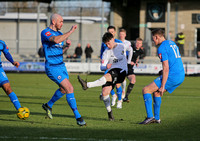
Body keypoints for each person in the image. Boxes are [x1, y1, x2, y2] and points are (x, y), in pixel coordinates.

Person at [40, 13, 86, 126]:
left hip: (61, 66)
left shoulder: (60, 34)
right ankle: (78, 117)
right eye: (60, 21)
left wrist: (66, 47)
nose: (62, 24)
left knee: (64, 89)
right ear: (54, 22)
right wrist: (70, 32)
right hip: (52, 67)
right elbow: (55, 40)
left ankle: (48, 105)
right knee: (70, 88)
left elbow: (59, 51)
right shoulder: (46, 32)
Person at [78, 32, 127, 120]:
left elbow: (130, 50)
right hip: (112, 72)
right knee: (105, 92)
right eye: (106, 44)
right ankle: (110, 113)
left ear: (113, 39)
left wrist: (130, 61)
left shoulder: (121, 45)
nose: (108, 45)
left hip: (121, 72)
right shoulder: (106, 52)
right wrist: (105, 67)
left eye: (109, 43)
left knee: (107, 76)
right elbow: (102, 67)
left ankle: (87, 85)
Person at [140, 29, 185, 124]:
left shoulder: (161, 48)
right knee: (156, 93)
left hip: (172, 75)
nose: (153, 41)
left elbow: (166, 68)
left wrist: (163, 85)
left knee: (146, 90)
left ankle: (150, 117)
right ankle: (157, 119)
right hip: (180, 74)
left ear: (157, 37)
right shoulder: (171, 43)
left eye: (153, 39)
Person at [100, 25, 123, 109]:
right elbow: (102, 53)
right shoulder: (104, 43)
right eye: (109, 32)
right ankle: (113, 95)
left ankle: (120, 101)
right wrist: (103, 63)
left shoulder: (118, 43)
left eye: (112, 32)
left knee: (117, 84)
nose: (111, 33)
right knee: (106, 81)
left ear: (115, 33)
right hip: (108, 66)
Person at [0, 40, 23, 115]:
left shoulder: (1, 43)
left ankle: (20, 109)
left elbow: (6, 53)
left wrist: (13, 62)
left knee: (8, 88)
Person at [122, 37, 144, 102]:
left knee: (133, 80)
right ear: (135, 43)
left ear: (141, 44)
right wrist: (129, 61)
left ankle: (126, 97)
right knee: (118, 82)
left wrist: (136, 62)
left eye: (139, 43)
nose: (138, 44)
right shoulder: (130, 48)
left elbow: (137, 57)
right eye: (137, 43)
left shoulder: (141, 51)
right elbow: (123, 55)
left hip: (130, 68)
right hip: (123, 66)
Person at [118, 28, 133, 100]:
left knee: (122, 78)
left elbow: (130, 50)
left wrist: (129, 61)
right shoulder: (116, 41)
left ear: (125, 35)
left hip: (123, 62)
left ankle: (123, 91)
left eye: (123, 34)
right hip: (116, 62)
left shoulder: (127, 43)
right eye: (120, 34)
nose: (121, 35)